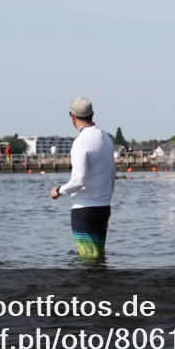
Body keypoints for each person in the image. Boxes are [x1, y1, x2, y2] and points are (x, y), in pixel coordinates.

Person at [49, 98, 116, 259]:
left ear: (72, 116)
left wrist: (58, 190)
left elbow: (79, 181)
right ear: (92, 114)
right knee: (98, 258)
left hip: (84, 209)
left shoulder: (81, 142)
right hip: (104, 207)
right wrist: (106, 198)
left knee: (87, 260)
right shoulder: (106, 138)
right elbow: (113, 174)